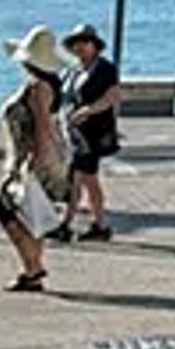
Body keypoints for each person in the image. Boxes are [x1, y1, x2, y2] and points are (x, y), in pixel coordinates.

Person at [0, 27, 74, 293]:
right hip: (42, 157)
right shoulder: (48, 85)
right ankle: (32, 270)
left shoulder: (37, 87)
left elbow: (42, 125)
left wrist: (34, 160)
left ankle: (33, 267)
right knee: (32, 216)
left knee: (6, 209)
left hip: (31, 158)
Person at [60, 23, 124, 242]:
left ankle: (67, 224)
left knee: (79, 177)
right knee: (87, 179)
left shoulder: (105, 69)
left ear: (94, 45)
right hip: (75, 133)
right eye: (76, 43)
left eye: (85, 42)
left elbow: (112, 96)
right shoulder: (72, 70)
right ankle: (100, 225)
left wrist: (89, 110)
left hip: (93, 133)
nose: (80, 47)